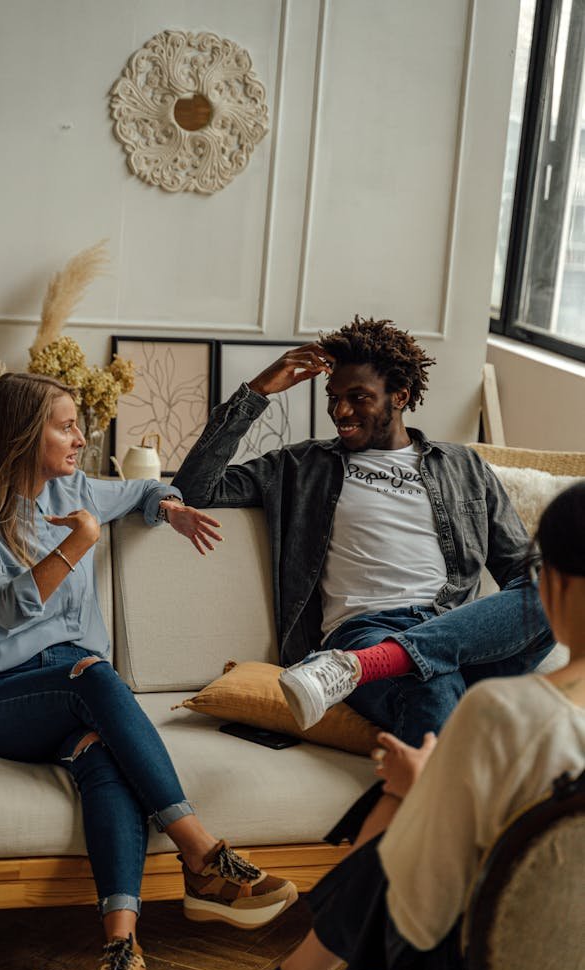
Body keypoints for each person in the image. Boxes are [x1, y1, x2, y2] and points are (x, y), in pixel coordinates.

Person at [0, 372, 297, 970]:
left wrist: (171, 508)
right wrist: (78, 542)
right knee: (96, 674)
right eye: (65, 425)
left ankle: (120, 956)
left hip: (77, 695)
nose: (81, 437)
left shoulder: (78, 491)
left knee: (103, 757)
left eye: (78, 424)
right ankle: (204, 856)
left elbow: (147, 488)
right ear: (22, 434)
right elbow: (8, 608)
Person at [191, 480, 585, 970]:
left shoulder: (503, 712)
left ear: (555, 587)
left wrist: (415, 793)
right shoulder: (309, 467)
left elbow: (422, 914)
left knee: (400, 811)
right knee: (427, 730)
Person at [173, 315, 554, 839]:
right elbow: (195, 489)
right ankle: (435, 873)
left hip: (451, 636)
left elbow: (525, 573)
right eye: (334, 397)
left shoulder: (463, 467)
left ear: (399, 395)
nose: (339, 411)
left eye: (358, 398)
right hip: (368, 630)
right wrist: (257, 392)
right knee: (431, 675)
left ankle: (357, 670)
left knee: (560, 588)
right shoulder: (302, 466)